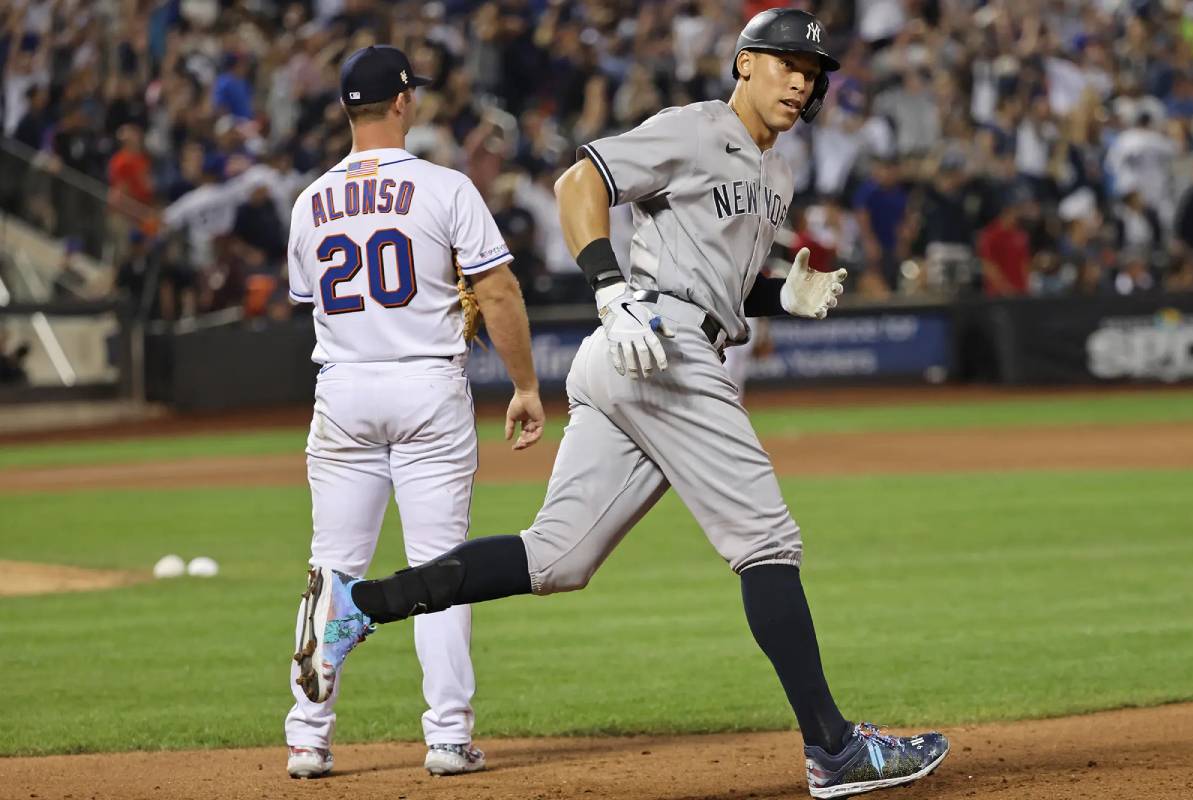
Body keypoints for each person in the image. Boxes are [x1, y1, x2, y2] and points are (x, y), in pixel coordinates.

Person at [294, 13, 948, 799]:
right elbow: (581, 184)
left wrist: (781, 296)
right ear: (744, 65)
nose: (802, 80)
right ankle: (833, 749)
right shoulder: (695, 129)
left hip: (646, 350)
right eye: (786, 63)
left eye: (813, 70)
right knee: (768, 540)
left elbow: (726, 286)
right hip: (656, 340)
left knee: (555, 559)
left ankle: (359, 602)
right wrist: (608, 290)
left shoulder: (777, 174)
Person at [284, 45, 545, 781]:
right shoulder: (444, 187)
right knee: (440, 569)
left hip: (344, 389)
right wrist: (524, 385)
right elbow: (497, 292)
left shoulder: (309, 201)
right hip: (426, 386)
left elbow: (313, 301)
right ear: (403, 102)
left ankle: (307, 737)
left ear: (345, 108)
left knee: (330, 565)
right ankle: (448, 737)